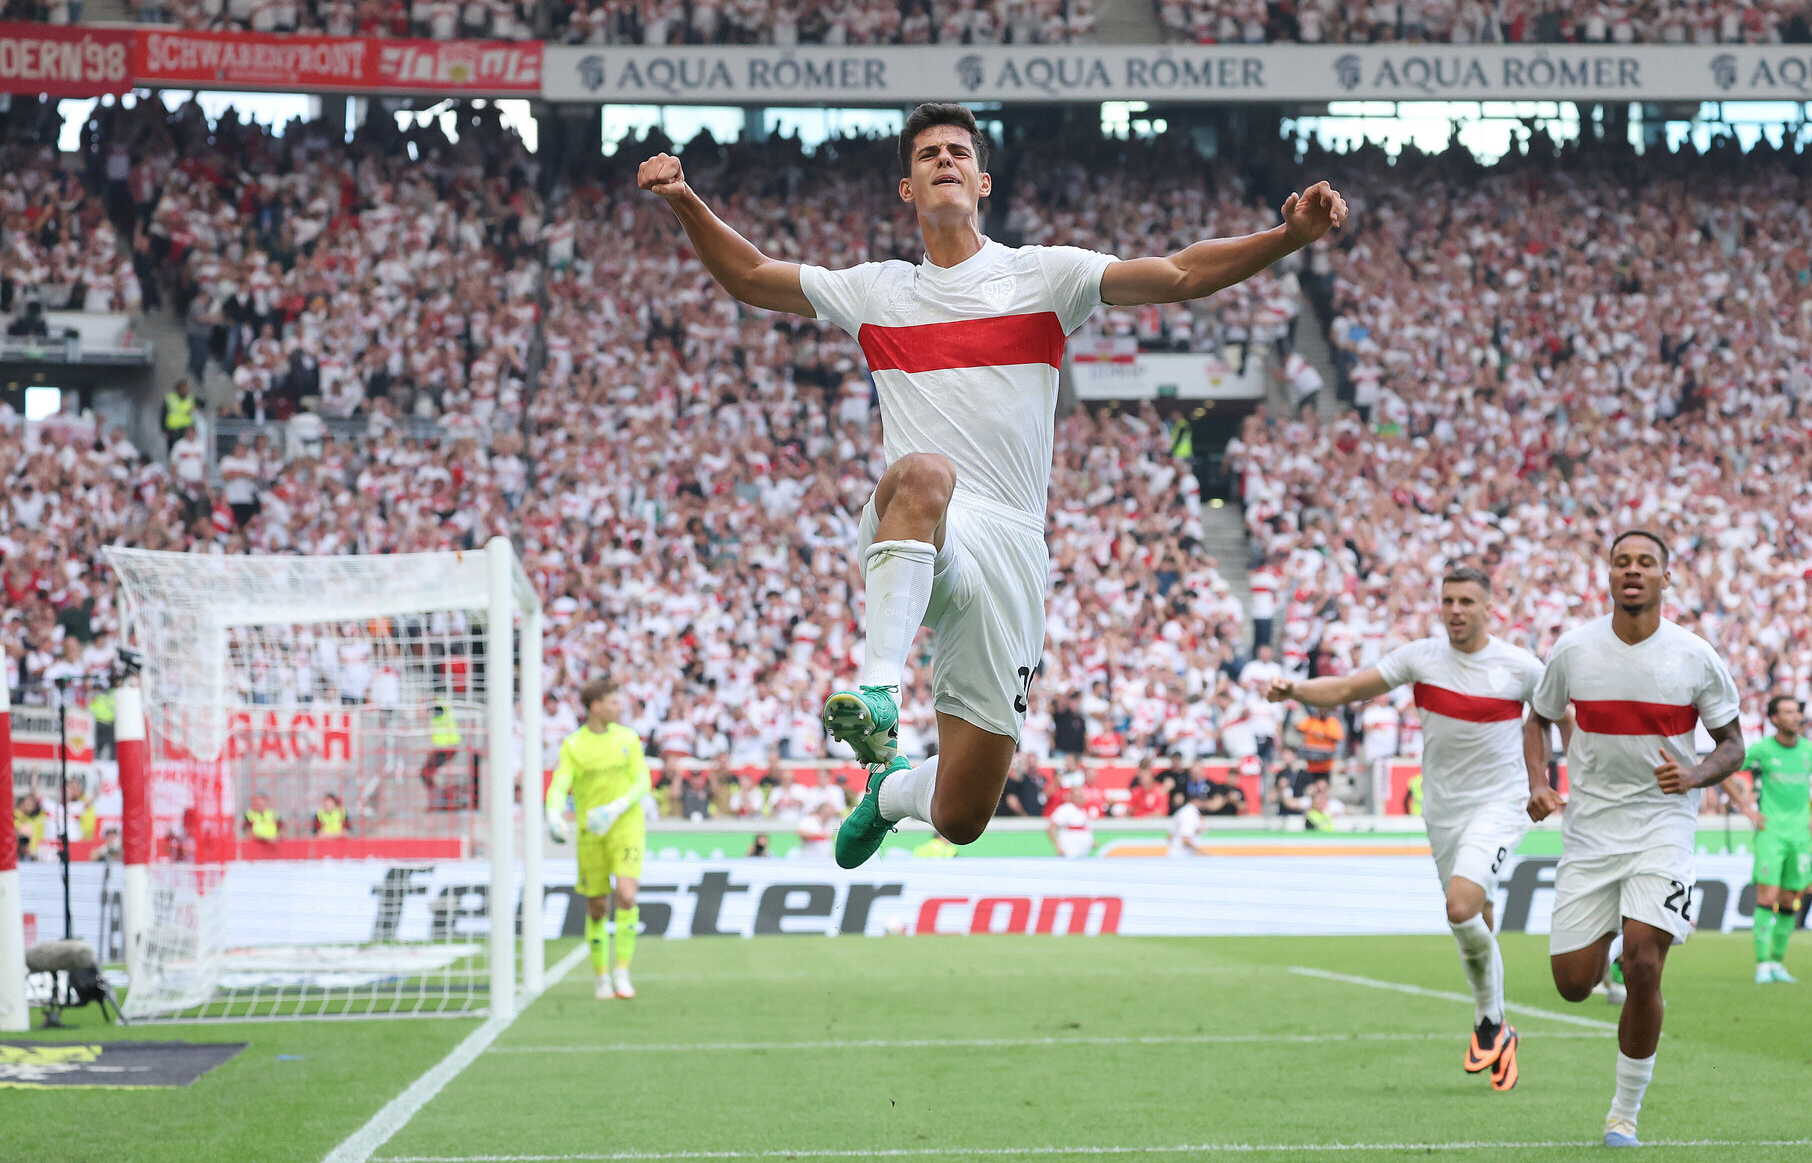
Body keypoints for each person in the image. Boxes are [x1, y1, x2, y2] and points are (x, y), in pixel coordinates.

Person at [638, 103, 1347, 869]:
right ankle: (879, 694)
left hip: (1010, 545)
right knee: (925, 471)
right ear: (907, 188)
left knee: (963, 813)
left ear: (982, 181)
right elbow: (750, 275)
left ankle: (889, 792)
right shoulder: (877, 291)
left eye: (958, 152)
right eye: (927, 155)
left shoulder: (1043, 276)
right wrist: (684, 199)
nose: (944, 160)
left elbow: (1178, 274)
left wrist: (1286, 239)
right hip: (919, 520)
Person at [1267, 564, 1545, 1092]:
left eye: (1466, 601)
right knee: (1475, 916)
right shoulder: (1422, 657)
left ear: (1489, 609)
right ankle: (1498, 1026)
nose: (1455, 610)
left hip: (1500, 803)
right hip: (1442, 809)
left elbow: (1558, 715)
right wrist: (1295, 690)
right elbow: (1349, 687)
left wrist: (1546, 781)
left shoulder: (1520, 667)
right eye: (1448, 600)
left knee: (1460, 906)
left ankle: (1489, 1022)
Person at [1523, 530, 1744, 1149]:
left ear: (1665, 578)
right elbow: (1538, 719)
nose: (1633, 571)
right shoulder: (1574, 650)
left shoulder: (1694, 656)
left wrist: (1695, 774)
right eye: (1622, 562)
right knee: (1573, 984)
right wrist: (1538, 782)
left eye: (1646, 563)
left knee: (1645, 963)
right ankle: (1619, 933)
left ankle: (1624, 1115)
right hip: (1590, 830)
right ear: (1609, 575)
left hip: (1662, 825)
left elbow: (1733, 745)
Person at [545, 678, 649, 1000]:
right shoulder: (574, 745)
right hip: (591, 833)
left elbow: (643, 781)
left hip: (626, 827)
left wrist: (617, 806)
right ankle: (601, 977)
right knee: (597, 906)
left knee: (627, 895)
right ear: (596, 706)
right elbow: (560, 783)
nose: (620, 707)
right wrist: (553, 813)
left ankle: (622, 972)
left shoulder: (628, 738)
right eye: (613, 702)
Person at [1719, 695, 1812, 984]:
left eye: (1797, 711)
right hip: (1771, 833)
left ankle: (1777, 962)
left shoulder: (1810, 751)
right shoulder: (1762, 750)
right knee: (1767, 897)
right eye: (1788, 712)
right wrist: (1746, 807)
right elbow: (1723, 769)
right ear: (1774, 719)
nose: (1795, 716)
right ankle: (1762, 964)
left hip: (1800, 836)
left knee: (1791, 899)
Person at [1045, 786, 1093, 859]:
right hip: (1069, 851)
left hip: (1082, 853)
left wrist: (1091, 842)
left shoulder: (1083, 810)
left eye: (1081, 796)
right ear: (1071, 797)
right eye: (1077, 797)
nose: (1080, 799)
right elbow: (1050, 828)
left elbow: (1084, 829)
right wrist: (1058, 846)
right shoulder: (1066, 809)